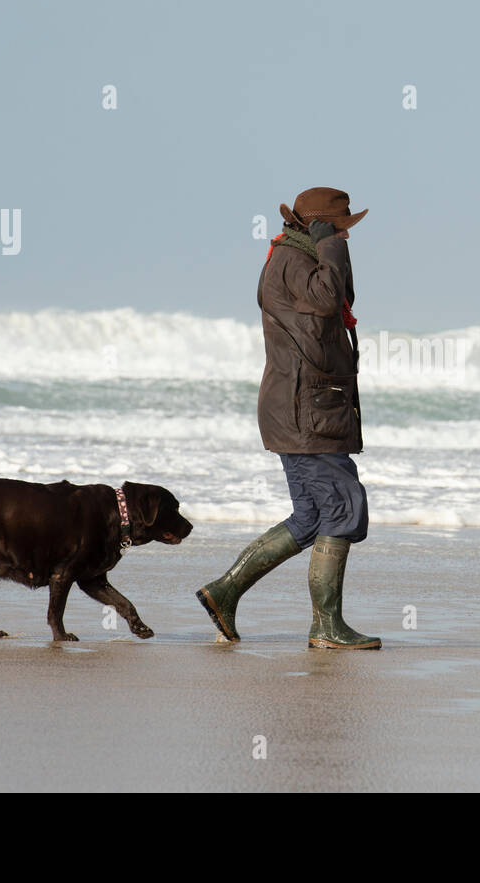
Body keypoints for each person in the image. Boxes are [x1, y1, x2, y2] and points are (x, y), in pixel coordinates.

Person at [197, 187, 381, 650]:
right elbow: (323, 302)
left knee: (312, 516)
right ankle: (326, 626)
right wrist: (331, 245)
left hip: (308, 407)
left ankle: (225, 591)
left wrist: (329, 247)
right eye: (340, 227)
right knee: (342, 504)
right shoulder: (294, 263)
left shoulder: (301, 258)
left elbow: (333, 306)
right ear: (319, 227)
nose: (345, 235)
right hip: (305, 411)